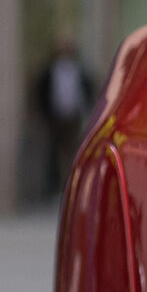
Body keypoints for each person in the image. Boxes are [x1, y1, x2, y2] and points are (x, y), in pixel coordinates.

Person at [38, 39, 91, 196]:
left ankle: (71, 185)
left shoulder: (78, 71)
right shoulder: (51, 71)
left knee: (72, 152)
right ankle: (57, 186)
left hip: (73, 117)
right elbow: (42, 92)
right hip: (56, 117)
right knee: (55, 153)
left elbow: (86, 90)